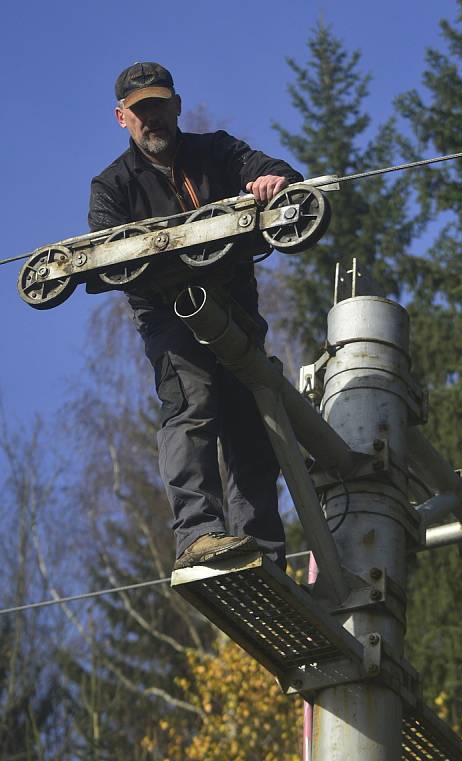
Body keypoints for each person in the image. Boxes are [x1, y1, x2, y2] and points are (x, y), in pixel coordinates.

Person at [88, 62, 303, 571]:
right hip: (171, 321)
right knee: (193, 401)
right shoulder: (113, 187)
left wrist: (275, 181)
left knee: (254, 419)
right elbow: (100, 254)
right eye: (141, 112)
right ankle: (199, 533)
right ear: (122, 118)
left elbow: (273, 171)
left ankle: (263, 553)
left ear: (177, 106)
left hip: (235, 311)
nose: (153, 119)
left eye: (160, 107)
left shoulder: (218, 153)